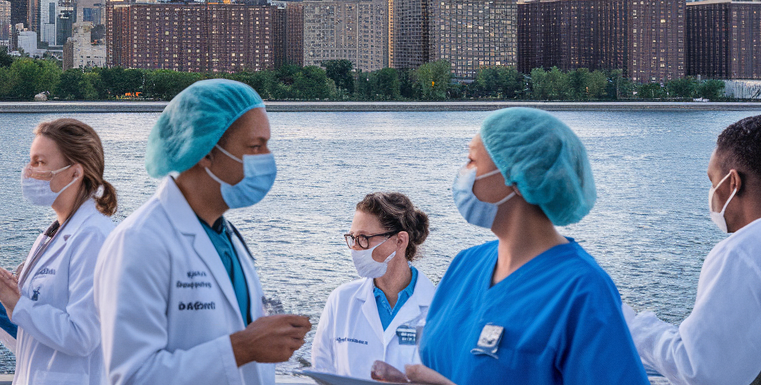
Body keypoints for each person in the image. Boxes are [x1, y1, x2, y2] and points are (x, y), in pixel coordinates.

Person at [409, 107, 648, 385]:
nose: (464, 173)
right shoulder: (465, 265)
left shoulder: (581, 291)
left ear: (519, 176)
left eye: (472, 161)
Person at [94, 78, 310, 385]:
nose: (266, 157)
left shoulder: (225, 236)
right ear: (206, 152)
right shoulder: (139, 242)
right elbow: (132, 376)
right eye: (255, 146)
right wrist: (242, 348)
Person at [624, 114, 761, 384]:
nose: (712, 193)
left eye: (713, 182)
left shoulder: (743, 253)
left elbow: (703, 372)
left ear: (733, 183)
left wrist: (628, 323)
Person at [0, 118, 118, 385]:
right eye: (30, 160)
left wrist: (18, 304)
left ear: (75, 173)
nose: (29, 171)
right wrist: (15, 301)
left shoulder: (93, 237)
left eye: (40, 162)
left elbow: (83, 335)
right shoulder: (56, 231)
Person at [311, 192, 435, 377]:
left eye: (364, 238)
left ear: (400, 241)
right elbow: (321, 370)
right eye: (352, 238)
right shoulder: (340, 300)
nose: (354, 247)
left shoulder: (439, 306)